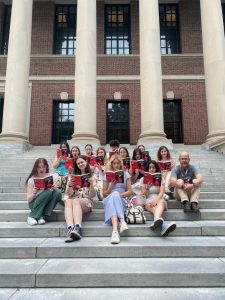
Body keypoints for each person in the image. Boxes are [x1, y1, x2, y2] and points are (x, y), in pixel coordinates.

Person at [64, 155, 96, 243]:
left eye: (82, 162)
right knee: (68, 201)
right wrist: (70, 185)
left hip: (87, 201)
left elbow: (92, 195)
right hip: (74, 200)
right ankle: (70, 228)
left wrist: (92, 184)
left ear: (86, 162)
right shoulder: (73, 176)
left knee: (76, 200)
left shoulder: (92, 176)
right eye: (78, 163)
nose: (80, 164)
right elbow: (69, 194)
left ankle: (78, 227)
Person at [140, 160, 176, 236]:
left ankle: (156, 220)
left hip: (159, 199)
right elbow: (144, 195)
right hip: (148, 200)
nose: (151, 169)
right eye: (149, 168)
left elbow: (161, 192)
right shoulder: (143, 180)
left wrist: (156, 201)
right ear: (147, 169)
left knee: (162, 201)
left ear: (156, 169)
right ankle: (164, 226)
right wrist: (147, 188)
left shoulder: (160, 178)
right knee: (152, 207)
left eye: (153, 167)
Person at [103, 154, 132, 244]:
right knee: (114, 194)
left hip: (121, 199)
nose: (116, 165)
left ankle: (115, 232)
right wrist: (111, 187)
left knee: (115, 195)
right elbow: (104, 194)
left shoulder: (126, 174)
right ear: (111, 164)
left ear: (120, 164)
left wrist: (119, 195)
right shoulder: (107, 175)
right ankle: (122, 221)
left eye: (118, 163)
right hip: (108, 199)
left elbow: (130, 191)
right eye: (114, 163)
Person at [26, 158, 61, 226]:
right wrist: (34, 193)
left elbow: (59, 191)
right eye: (39, 167)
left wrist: (55, 187)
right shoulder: (31, 180)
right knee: (47, 191)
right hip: (34, 204)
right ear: (36, 168)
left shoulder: (53, 176)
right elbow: (29, 199)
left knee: (57, 192)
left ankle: (40, 215)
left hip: (46, 203)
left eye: (43, 167)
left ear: (46, 167)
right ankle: (31, 216)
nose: (41, 169)